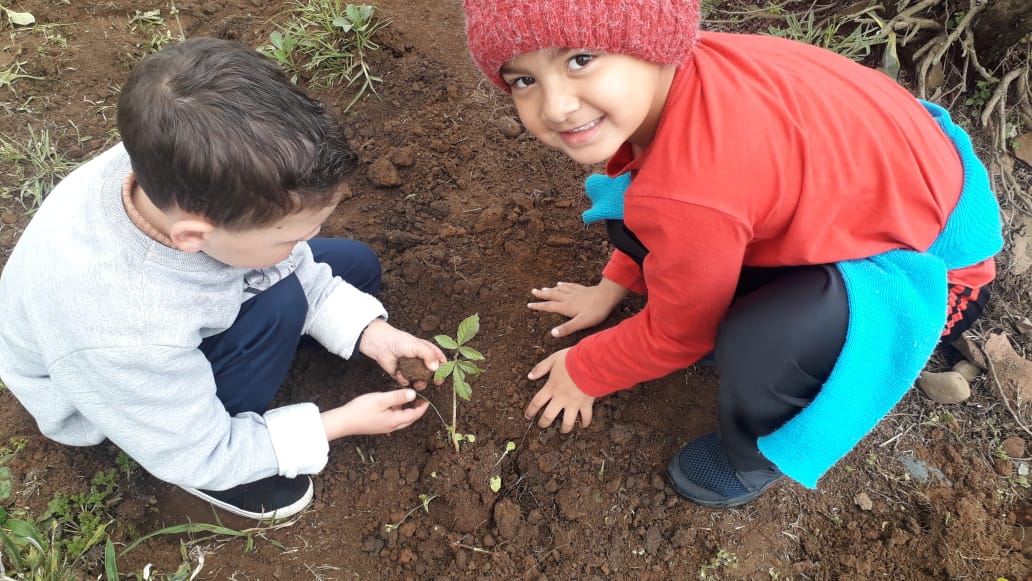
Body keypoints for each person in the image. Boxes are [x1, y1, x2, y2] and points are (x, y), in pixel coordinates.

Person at [462, 0, 1003, 507]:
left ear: (653, 40)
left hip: (934, 269)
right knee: (633, 206)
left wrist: (586, 370)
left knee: (763, 341)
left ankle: (752, 459)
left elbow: (682, 330)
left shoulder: (694, 187)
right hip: (885, 199)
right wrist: (613, 286)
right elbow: (662, 204)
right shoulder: (689, 79)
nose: (555, 106)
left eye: (581, 59)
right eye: (524, 80)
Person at [0, 38, 446, 520]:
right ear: (196, 235)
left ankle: (284, 313)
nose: (310, 240)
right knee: (284, 305)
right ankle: (222, 480)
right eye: (289, 236)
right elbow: (197, 448)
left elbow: (287, 263)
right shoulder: (124, 330)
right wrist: (336, 424)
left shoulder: (176, 166)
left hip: (167, 310)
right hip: (126, 402)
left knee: (355, 266)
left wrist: (370, 333)